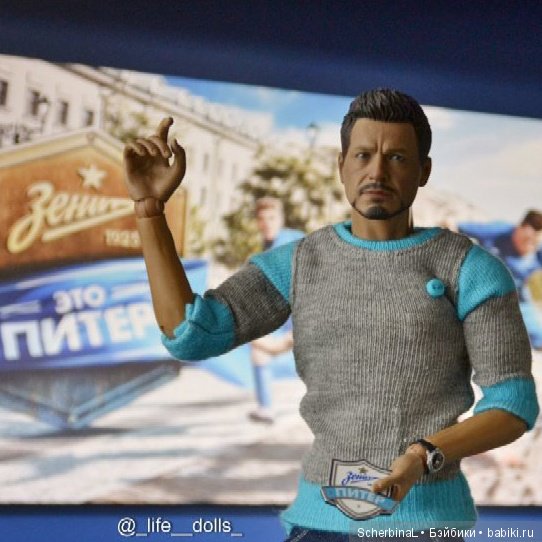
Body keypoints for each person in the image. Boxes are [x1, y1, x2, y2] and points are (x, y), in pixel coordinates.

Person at [123, 89, 539, 541]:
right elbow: (192, 334)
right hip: (318, 521)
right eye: (363, 155)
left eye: (397, 157)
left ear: (424, 171)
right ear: (342, 166)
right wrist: (149, 212)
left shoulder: (469, 269)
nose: (376, 172)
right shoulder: (300, 261)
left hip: (424, 525)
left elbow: (512, 403)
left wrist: (423, 456)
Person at [249, 197, 304, 424]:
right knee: (259, 350)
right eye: (262, 219)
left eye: (271, 218)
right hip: (285, 316)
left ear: (281, 219)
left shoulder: (293, 241)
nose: (267, 223)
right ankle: (266, 409)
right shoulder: (264, 250)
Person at [458, 211, 542, 348]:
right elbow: (458, 227)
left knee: (538, 337)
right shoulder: (499, 231)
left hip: (517, 297)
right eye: (527, 239)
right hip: (484, 288)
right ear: (519, 228)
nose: (530, 246)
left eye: (535, 243)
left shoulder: (538, 253)